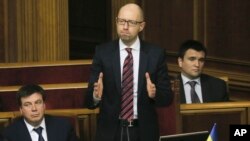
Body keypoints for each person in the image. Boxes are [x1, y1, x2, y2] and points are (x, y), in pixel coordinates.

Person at [85, 3, 173, 141]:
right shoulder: (103, 52)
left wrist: (155, 94)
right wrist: (96, 96)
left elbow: (167, 98)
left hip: (143, 132)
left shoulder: (155, 54)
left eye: (131, 23)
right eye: (121, 21)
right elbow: (88, 101)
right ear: (116, 22)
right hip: (110, 132)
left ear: (141, 26)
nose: (125, 27)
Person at [2, 84, 79, 141]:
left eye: (38, 102)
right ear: (21, 110)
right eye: (27, 105)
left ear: (44, 105)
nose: (34, 108)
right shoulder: (9, 134)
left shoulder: (63, 126)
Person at [177, 39, 229, 104]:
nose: (197, 64)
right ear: (180, 62)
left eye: (201, 60)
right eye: (192, 59)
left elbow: (225, 113)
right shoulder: (169, 87)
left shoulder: (218, 86)